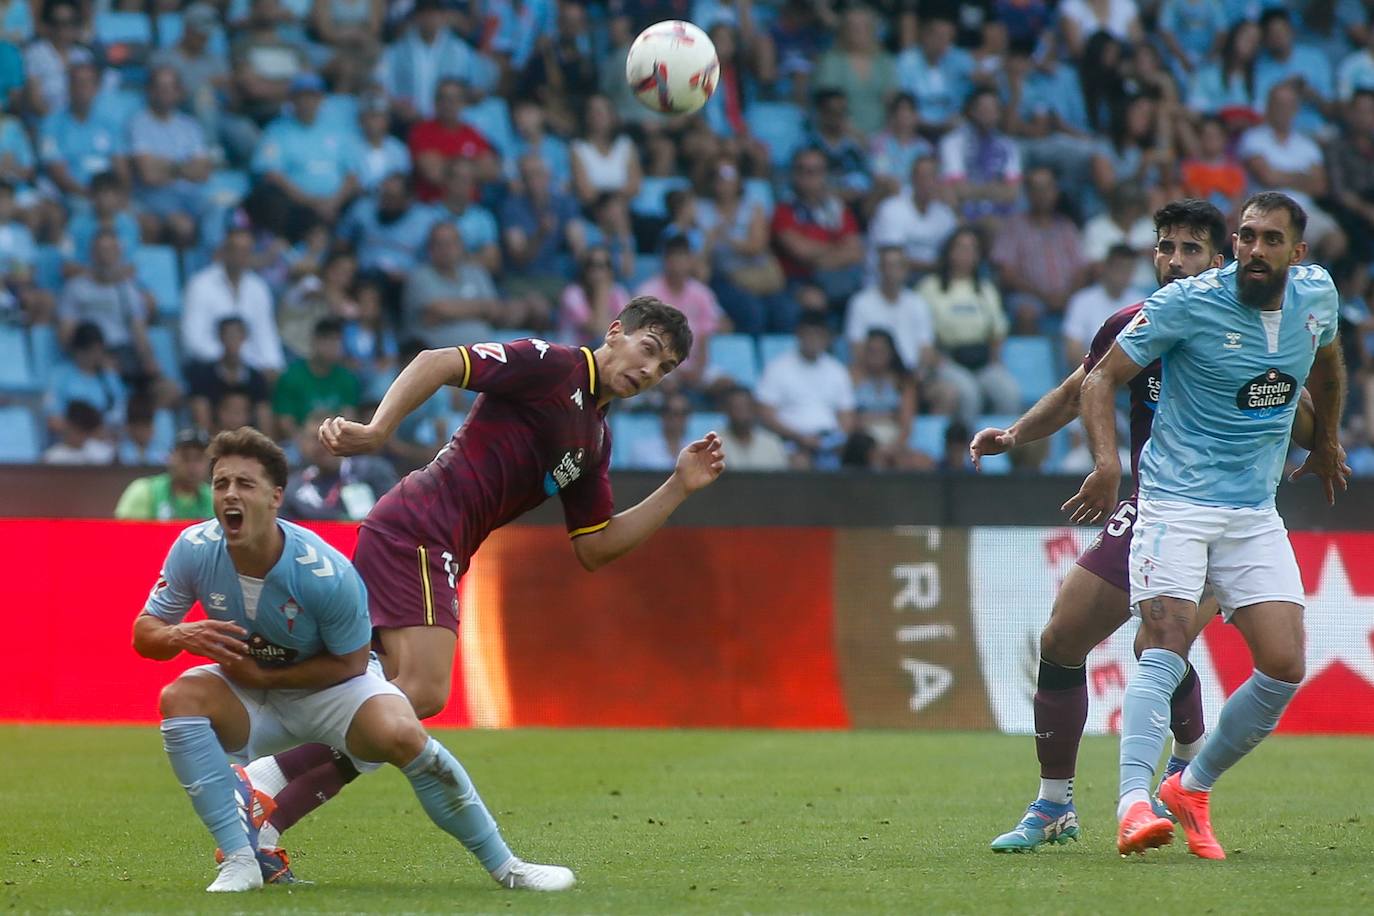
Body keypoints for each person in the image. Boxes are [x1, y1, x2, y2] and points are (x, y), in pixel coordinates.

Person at [225, 299, 724, 878]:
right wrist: (379, 431)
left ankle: (264, 821)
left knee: (387, 705)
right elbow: (438, 360)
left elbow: (595, 546)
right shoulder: (549, 363)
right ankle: (263, 778)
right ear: (616, 332)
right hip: (420, 527)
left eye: (664, 369)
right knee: (424, 692)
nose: (650, 371)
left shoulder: (594, 439)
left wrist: (679, 488)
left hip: (436, 543)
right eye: (648, 349)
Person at [132, 427, 577, 893]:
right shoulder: (193, 548)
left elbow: (351, 663)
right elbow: (145, 633)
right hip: (248, 692)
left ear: (276, 497)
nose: (230, 495)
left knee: (403, 731)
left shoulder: (324, 571)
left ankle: (508, 867)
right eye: (221, 484)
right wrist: (181, 633)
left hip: (329, 690)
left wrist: (265, 672)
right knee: (179, 698)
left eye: (245, 484)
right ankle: (242, 858)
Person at [1065, 193, 1345, 859]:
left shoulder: (1317, 295)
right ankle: (1133, 802)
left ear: (1295, 254)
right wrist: (1107, 465)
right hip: (1174, 503)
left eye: (1269, 239)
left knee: (1283, 665)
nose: (1253, 249)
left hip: (1252, 512)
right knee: (1164, 640)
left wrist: (1327, 441)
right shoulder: (1187, 303)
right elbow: (1098, 382)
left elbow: (1329, 362)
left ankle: (1191, 786)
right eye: (1246, 235)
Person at [976, 198, 1230, 853]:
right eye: (1165, 246)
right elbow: (1077, 389)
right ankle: (1055, 805)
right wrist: (1013, 435)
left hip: (1229, 515)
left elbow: (1298, 397)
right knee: (1061, 637)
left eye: (1191, 249)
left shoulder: (1249, 326)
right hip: (1152, 506)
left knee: (1159, 643)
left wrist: (1320, 448)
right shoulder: (1134, 324)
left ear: (1220, 261)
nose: (1174, 261)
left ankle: (1185, 779)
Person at [115, 429, 213, 520]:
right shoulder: (145, 490)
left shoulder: (213, 499)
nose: (192, 465)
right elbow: (124, 533)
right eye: (185, 457)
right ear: (170, 458)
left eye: (199, 458)